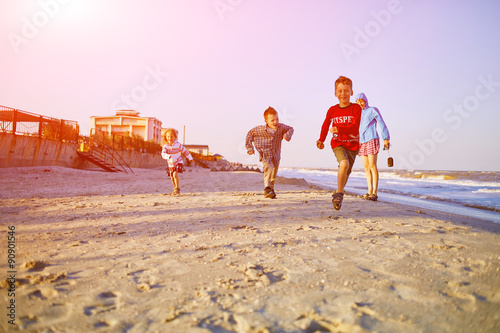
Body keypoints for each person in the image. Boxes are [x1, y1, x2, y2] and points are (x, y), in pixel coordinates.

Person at [316, 76, 362, 210]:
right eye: (340, 91)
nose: (343, 94)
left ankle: (338, 192)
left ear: (351, 92)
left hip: (353, 145)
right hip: (338, 143)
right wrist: (321, 139)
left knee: (346, 172)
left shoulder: (356, 109)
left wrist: (339, 128)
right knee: (344, 163)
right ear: (335, 93)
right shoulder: (332, 110)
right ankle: (340, 193)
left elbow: (355, 127)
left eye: (346, 91)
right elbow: (325, 125)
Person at [245, 107, 294, 199]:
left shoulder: (281, 128)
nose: (275, 122)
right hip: (265, 154)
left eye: (277, 119)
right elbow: (249, 134)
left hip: (276, 155)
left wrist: (287, 135)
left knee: (273, 174)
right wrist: (249, 148)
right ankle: (267, 188)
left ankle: (271, 189)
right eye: (272, 120)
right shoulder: (259, 130)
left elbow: (291, 129)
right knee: (268, 169)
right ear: (266, 121)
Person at [355, 92, 390, 201]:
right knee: (366, 168)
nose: (360, 103)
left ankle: (374, 193)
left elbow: (382, 123)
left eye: (361, 101)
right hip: (361, 142)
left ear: (365, 101)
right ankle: (369, 191)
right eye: (357, 102)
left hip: (372, 139)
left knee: (372, 166)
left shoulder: (372, 110)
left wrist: (386, 138)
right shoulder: (357, 113)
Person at [161, 128, 194, 195]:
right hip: (170, 164)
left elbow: (185, 151)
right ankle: (175, 188)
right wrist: (168, 156)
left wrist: (190, 158)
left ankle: (177, 188)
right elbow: (163, 154)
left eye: (171, 136)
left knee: (175, 174)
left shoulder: (178, 144)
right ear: (166, 137)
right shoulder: (165, 146)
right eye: (168, 136)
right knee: (172, 177)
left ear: (175, 137)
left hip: (178, 162)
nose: (170, 138)